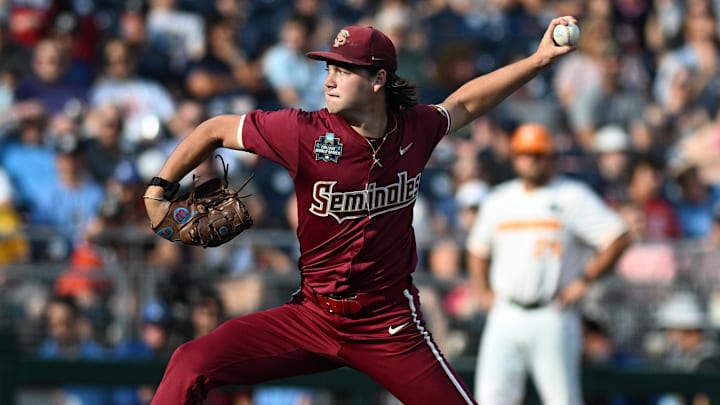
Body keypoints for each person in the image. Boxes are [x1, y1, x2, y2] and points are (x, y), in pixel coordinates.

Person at [143, 18, 578, 404]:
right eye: (329, 67)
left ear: (377, 80)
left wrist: (539, 60)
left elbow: (464, 102)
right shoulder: (303, 132)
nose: (329, 79)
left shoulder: (415, 128)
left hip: (388, 323)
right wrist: (159, 189)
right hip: (312, 316)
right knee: (189, 363)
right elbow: (215, 128)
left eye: (344, 69)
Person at [465, 122, 632, 405]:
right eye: (524, 154)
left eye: (538, 154)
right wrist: (482, 293)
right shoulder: (499, 200)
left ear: (551, 157)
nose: (530, 160)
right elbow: (477, 250)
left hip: (552, 311)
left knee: (561, 399)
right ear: (515, 157)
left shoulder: (571, 196)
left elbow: (618, 236)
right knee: (491, 397)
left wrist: (585, 279)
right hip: (505, 310)